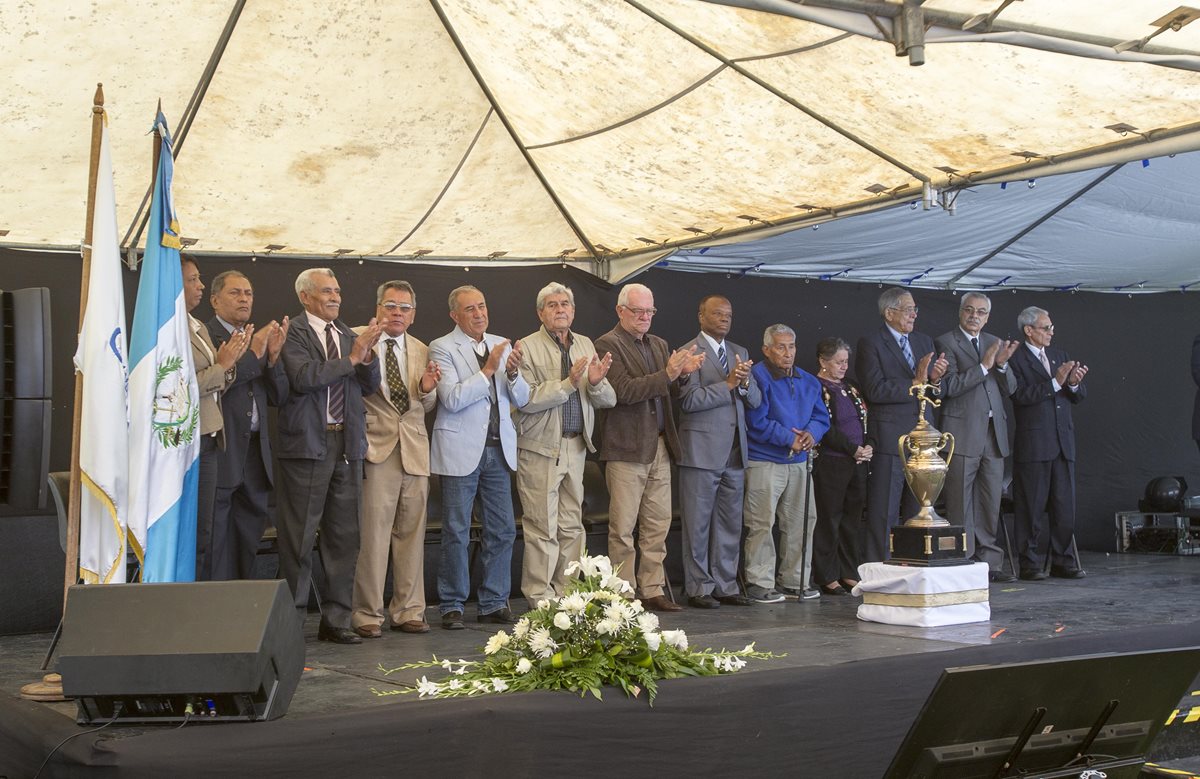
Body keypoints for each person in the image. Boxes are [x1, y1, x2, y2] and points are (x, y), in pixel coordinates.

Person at [277, 268, 382, 644]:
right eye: (326, 291)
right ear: (306, 297)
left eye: (337, 291)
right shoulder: (294, 333)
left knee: (344, 536)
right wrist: (353, 357)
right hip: (307, 446)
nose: (335, 297)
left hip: (347, 445)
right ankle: (289, 625)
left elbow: (370, 386)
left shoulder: (349, 336)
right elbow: (304, 378)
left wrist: (367, 357)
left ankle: (336, 620)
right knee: (300, 538)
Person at [594, 283, 704, 612]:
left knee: (658, 524)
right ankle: (623, 593)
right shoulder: (606, 343)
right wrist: (668, 373)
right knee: (623, 527)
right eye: (638, 311)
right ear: (620, 311)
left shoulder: (659, 344)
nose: (645, 317)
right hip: (626, 448)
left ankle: (652, 587)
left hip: (660, 445)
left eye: (650, 311)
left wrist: (681, 376)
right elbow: (624, 391)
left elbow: (666, 392)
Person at [429, 285, 530, 629]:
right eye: (469, 309)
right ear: (455, 316)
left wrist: (513, 373)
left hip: (498, 449)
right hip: (460, 450)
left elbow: (523, 398)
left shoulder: (500, 342)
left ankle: (493, 601)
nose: (479, 314)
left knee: (502, 530)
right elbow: (453, 399)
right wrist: (488, 369)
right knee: (456, 530)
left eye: (482, 307)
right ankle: (452, 603)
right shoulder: (442, 347)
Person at [513, 283, 615, 605]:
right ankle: (541, 598)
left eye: (566, 304)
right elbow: (526, 400)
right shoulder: (527, 347)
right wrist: (570, 383)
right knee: (543, 527)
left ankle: (568, 596)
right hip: (540, 448)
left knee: (572, 526)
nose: (560, 309)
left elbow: (608, 398)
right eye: (553, 305)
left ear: (573, 310)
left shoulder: (585, 343)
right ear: (540, 312)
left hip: (577, 447)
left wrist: (595, 383)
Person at [350, 281, 440, 638]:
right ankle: (366, 614)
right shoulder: (358, 337)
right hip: (376, 446)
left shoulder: (420, 348)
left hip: (415, 449)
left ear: (413, 314)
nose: (397, 313)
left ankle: (408, 610)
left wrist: (429, 389)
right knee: (373, 536)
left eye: (404, 308)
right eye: (391, 306)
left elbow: (425, 404)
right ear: (377, 308)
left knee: (412, 535)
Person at [676, 295, 760, 608]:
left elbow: (755, 401)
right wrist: (726, 384)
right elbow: (688, 401)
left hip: (735, 451)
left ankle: (726, 585)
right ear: (701, 316)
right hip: (700, 451)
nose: (724, 318)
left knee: (729, 523)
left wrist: (745, 383)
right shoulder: (689, 352)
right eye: (717, 313)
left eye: (729, 314)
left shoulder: (740, 352)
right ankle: (699, 587)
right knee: (697, 524)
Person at [206, 270, 289, 581]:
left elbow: (280, 396)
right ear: (214, 300)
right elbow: (222, 383)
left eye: (249, 293)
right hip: (222, 450)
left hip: (256, 454)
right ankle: (216, 610)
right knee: (217, 538)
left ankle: (242, 608)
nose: (244, 299)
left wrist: (273, 358)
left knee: (248, 535)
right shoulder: (206, 336)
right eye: (235, 293)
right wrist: (255, 352)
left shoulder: (259, 340)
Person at [855, 287, 947, 563]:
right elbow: (874, 389)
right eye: (909, 310)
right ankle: (879, 569)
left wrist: (936, 380)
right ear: (889, 313)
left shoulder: (923, 341)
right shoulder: (871, 343)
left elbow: (932, 392)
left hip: (924, 440)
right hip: (891, 437)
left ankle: (914, 563)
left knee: (919, 507)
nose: (914, 315)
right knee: (884, 508)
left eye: (915, 310)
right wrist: (914, 382)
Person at [934, 293, 1019, 583]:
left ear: (987, 317)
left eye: (981, 312)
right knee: (959, 498)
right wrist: (983, 366)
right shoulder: (946, 341)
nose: (974, 316)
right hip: (962, 431)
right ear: (960, 313)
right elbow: (949, 386)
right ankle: (963, 557)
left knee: (990, 499)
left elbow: (1010, 389)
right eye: (969, 310)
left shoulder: (994, 341)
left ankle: (990, 562)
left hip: (993, 435)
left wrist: (1003, 365)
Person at [743, 324, 830, 602]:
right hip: (765, 460)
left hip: (800, 461)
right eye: (780, 346)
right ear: (766, 349)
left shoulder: (808, 380)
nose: (787, 352)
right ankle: (760, 581)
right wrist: (788, 439)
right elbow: (755, 422)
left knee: (802, 522)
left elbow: (822, 418)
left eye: (791, 346)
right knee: (761, 522)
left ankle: (795, 580)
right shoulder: (757, 375)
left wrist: (811, 435)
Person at [1008, 306, 1088, 580]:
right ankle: (1029, 562)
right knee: (1030, 507)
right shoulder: (1016, 359)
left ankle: (1062, 560)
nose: (1051, 332)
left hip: (1063, 442)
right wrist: (1055, 383)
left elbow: (1076, 396)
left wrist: (1074, 383)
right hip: (1034, 444)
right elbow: (1019, 395)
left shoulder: (1059, 356)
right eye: (1046, 328)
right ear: (1029, 330)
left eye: (1052, 327)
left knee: (1064, 506)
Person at [181, 257, 247, 581]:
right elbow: (181, 387)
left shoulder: (198, 326)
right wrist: (224, 365)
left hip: (208, 438)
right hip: (181, 443)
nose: (200, 286)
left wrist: (228, 365)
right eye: (193, 280)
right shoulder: (168, 330)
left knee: (203, 533)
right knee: (187, 536)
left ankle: (199, 601)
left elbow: (217, 381)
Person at [811, 337, 871, 596]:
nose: (844, 366)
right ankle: (827, 575)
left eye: (846, 361)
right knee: (829, 519)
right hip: (832, 463)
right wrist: (851, 448)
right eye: (838, 362)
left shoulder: (852, 387)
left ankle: (849, 571)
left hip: (857, 463)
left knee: (851, 520)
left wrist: (869, 445)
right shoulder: (816, 387)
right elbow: (825, 426)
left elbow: (867, 419)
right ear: (823, 361)